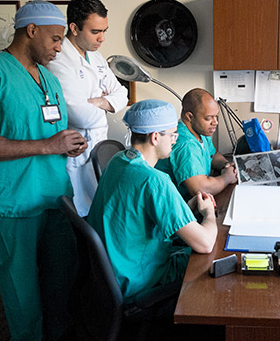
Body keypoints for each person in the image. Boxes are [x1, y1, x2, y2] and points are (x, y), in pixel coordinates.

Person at [0, 0, 86, 341]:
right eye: (56, 39)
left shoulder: (48, 79)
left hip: (53, 200)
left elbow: (47, 130)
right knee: (22, 295)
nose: (60, 47)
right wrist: (47, 146)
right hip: (10, 206)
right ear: (31, 31)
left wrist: (68, 143)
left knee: (60, 285)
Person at [86, 99, 217, 303]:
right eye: (173, 134)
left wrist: (187, 208)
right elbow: (205, 243)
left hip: (111, 274)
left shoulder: (118, 161)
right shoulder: (154, 180)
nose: (175, 139)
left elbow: (138, 212)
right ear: (155, 137)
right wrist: (209, 214)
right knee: (215, 260)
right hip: (139, 281)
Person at [46, 0, 129, 217]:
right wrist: (107, 105)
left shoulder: (97, 57)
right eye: (95, 32)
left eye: (105, 31)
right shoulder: (59, 60)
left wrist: (99, 101)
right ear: (74, 28)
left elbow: (123, 93)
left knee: (97, 212)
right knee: (78, 216)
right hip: (75, 154)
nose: (102, 38)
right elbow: (81, 116)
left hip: (98, 147)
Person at [155, 88, 237, 199]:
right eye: (209, 118)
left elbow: (212, 154)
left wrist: (226, 165)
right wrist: (227, 177)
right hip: (177, 204)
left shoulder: (200, 130)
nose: (215, 122)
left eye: (216, 117)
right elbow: (200, 189)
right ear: (189, 117)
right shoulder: (185, 144)